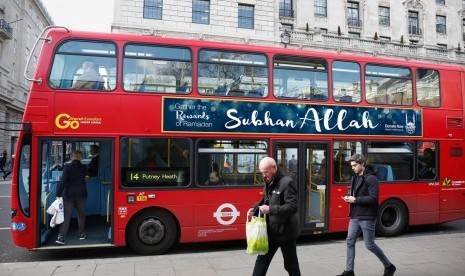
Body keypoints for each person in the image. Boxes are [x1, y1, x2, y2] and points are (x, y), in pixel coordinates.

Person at [337, 153, 396, 276]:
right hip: (355, 215)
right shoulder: (355, 177)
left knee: (370, 245)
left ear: (362, 164)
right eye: (352, 165)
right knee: (350, 241)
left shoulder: (371, 178)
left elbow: (373, 199)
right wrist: (349, 198)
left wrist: (355, 200)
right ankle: (349, 271)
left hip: (367, 217)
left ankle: (389, 266)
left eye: (354, 165)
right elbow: (357, 195)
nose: (352, 168)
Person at [247, 157, 301, 276]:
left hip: (286, 232)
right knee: (261, 262)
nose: (263, 175)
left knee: (291, 265)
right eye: (261, 172)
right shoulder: (267, 180)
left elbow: (293, 207)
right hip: (271, 230)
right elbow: (266, 200)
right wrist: (255, 209)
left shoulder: (287, 182)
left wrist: (270, 209)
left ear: (274, 168)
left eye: (265, 172)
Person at [55, 150, 88, 245]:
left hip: (69, 195)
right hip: (81, 194)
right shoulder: (83, 167)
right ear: (81, 157)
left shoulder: (67, 167)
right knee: (81, 215)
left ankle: (61, 237)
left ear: (72, 157)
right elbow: (85, 177)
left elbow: (63, 182)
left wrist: (58, 194)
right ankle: (81, 234)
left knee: (66, 216)